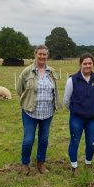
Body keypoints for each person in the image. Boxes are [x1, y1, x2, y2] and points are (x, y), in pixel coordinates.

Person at [16, 45, 61, 175]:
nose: (42, 56)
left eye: (44, 54)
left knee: (44, 139)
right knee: (28, 139)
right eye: (40, 54)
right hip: (30, 112)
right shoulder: (26, 72)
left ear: (48, 56)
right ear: (35, 55)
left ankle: (41, 163)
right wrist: (28, 100)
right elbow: (19, 90)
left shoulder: (51, 72)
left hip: (47, 113)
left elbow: (55, 89)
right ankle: (25, 163)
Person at [63, 52, 94, 175]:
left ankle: (88, 163)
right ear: (80, 64)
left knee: (91, 142)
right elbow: (66, 100)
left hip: (93, 118)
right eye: (85, 63)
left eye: (90, 63)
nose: (87, 65)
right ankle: (74, 166)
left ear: (93, 64)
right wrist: (77, 110)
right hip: (77, 118)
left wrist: (91, 107)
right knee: (75, 141)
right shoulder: (72, 80)